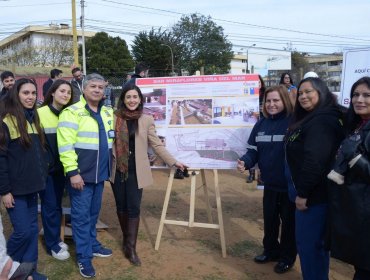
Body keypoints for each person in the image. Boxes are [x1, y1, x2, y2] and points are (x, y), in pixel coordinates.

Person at [110, 84, 187, 266]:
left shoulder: (146, 120)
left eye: (135, 97)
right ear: (123, 99)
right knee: (121, 206)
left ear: (140, 99)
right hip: (118, 168)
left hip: (137, 169)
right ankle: (126, 240)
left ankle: (131, 247)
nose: (131, 100)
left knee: (134, 207)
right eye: (128, 97)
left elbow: (156, 145)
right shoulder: (113, 118)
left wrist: (173, 162)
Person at [285, 77, 345, 280]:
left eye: (308, 91)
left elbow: (315, 161)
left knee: (311, 248)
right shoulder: (314, 117)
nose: (303, 96)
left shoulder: (322, 120)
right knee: (312, 247)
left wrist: (303, 194)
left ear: (322, 92)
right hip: (314, 194)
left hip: (315, 198)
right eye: (300, 93)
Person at [57, 73, 114, 278]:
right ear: (84, 88)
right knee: (80, 218)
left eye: (101, 87)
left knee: (92, 214)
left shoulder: (107, 112)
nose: (98, 90)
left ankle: (92, 244)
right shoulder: (71, 113)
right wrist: (73, 173)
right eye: (93, 87)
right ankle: (83, 256)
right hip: (80, 177)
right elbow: (65, 146)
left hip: (100, 176)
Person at [237, 85, 296, 274]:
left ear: (284, 101)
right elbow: (252, 151)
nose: (271, 104)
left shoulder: (293, 122)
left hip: (289, 186)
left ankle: (287, 258)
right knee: (270, 221)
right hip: (268, 184)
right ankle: (270, 251)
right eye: (268, 101)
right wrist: (245, 162)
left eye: (276, 100)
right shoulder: (260, 124)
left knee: (289, 225)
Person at [0, 78, 49, 280]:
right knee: (22, 232)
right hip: (15, 190)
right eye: (25, 93)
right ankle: (7, 268)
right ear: (16, 95)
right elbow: (1, 160)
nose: (30, 97)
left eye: (32, 93)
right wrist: (4, 191)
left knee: (31, 230)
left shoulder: (34, 119)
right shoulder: (6, 122)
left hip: (33, 187)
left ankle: (28, 271)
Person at [328, 76, 370, 280]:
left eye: (366, 95)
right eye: (355, 94)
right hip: (356, 209)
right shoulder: (357, 124)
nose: (359, 99)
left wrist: (355, 157)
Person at [38, 80, 74, 261]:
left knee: (57, 204)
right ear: (52, 92)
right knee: (50, 205)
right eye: (62, 91)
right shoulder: (40, 114)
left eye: (68, 92)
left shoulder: (69, 113)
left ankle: (56, 239)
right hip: (48, 171)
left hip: (65, 169)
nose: (65, 95)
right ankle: (53, 244)